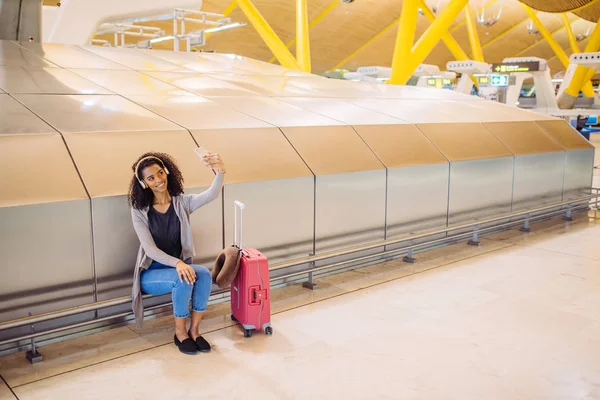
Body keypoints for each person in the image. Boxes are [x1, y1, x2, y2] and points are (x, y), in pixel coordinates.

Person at [128, 151, 226, 355]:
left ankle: (195, 331)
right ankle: (180, 333)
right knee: (183, 278)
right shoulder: (139, 210)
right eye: (151, 178)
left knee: (204, 274)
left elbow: (211, 194)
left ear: (167, 172)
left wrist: (221, 171)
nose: (158, 180)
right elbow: (150, 250)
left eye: (160, 173)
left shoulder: (182, 203)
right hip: (151, 273)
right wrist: (178, 264)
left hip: (176, 268)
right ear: (144, 183)